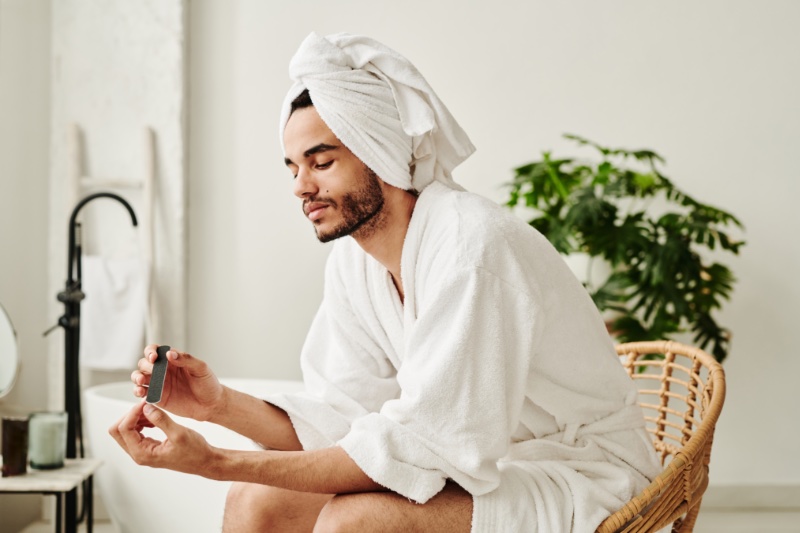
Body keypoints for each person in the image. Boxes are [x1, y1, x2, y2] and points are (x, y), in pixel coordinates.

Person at [110, 32, 661, 532]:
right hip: (487, 467)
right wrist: (217, 405)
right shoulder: (357, 264)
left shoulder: (471, 247)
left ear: (378, 152)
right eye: (292, 167)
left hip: (582, 475)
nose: (301, 186)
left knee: (357, 522)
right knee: (257, 501)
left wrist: (213, 461)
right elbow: (343, 420)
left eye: (321, 162)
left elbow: (424, 446)